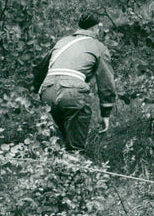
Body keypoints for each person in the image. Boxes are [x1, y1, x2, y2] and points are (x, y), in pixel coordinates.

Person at [38, 13, 116, 151]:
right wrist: (106, 114)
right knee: (75, 149)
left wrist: (37, 94)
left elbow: (41, 70)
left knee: (55, 145)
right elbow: (106, 84)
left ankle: (55, 167)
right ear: (96, 28)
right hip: (72, 92)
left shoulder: (62, 42)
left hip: (47, 91)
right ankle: (73, 166)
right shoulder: (98, 47)